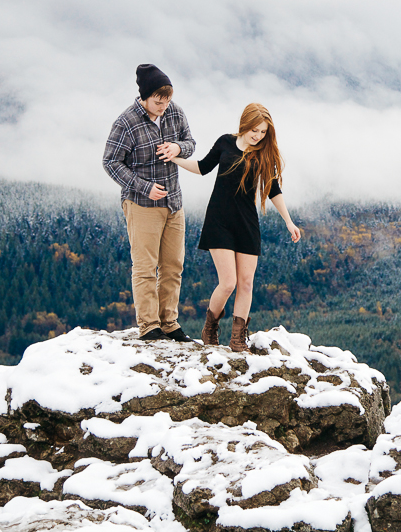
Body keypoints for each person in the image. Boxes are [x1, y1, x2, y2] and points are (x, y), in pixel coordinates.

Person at [168, 103, 301, 352]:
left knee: (246, 282)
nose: (258, 136)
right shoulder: (225, 143)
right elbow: (202, 167)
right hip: (219, 220)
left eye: (263, 132)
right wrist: (175, 158)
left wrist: (288, 221)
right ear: (245, 124)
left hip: (246, 223)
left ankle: (238, 339)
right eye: (255, 130)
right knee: (228, 282)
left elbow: (273, 190)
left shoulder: (264, 153)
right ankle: (210, 328)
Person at [102, 64, 195, 342]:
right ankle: (150, 326)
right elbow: (110, 162)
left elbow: (190, 142)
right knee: (145, 267)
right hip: (141, 205)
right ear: (144, 96)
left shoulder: (175, 112)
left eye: (166, 101)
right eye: (158, 102)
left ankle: (170, 323)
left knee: (173, 265)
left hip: (174, 203)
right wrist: (143, 187)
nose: (163, 107)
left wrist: (178, 148)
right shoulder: (126, 122)